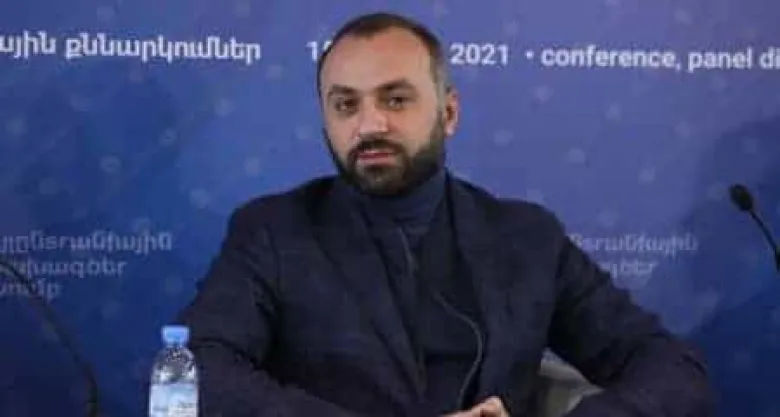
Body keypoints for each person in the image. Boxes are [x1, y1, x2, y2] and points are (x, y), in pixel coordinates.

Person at [176, 11, 715, 417]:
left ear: (448, 113)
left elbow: (671, 368)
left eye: (395, 99)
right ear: (325, 122)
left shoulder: (527, 238)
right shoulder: (273, 231)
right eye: (346, 104)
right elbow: (194, 371)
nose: (370, 125)